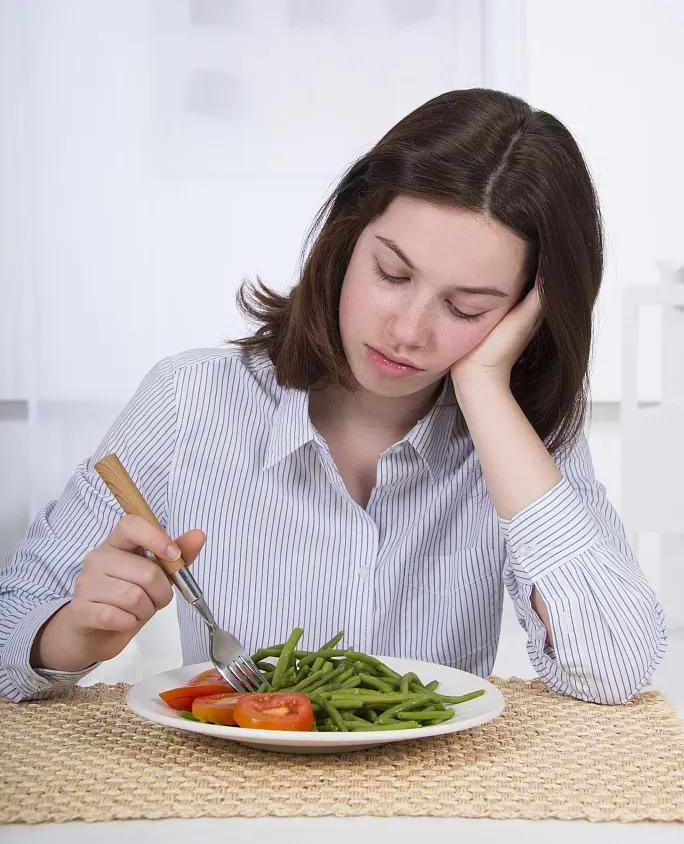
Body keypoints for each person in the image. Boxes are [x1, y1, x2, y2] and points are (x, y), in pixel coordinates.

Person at [0, 88, 668, 705]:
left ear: (524, 314)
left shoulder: (518, 440)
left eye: (466, 307)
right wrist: (71, 635)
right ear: (348, 235)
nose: (408, 330)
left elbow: (613, 667)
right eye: (392, 272)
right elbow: (9, 634)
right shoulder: (190, 399)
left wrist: (487, 386)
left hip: (431, 810)